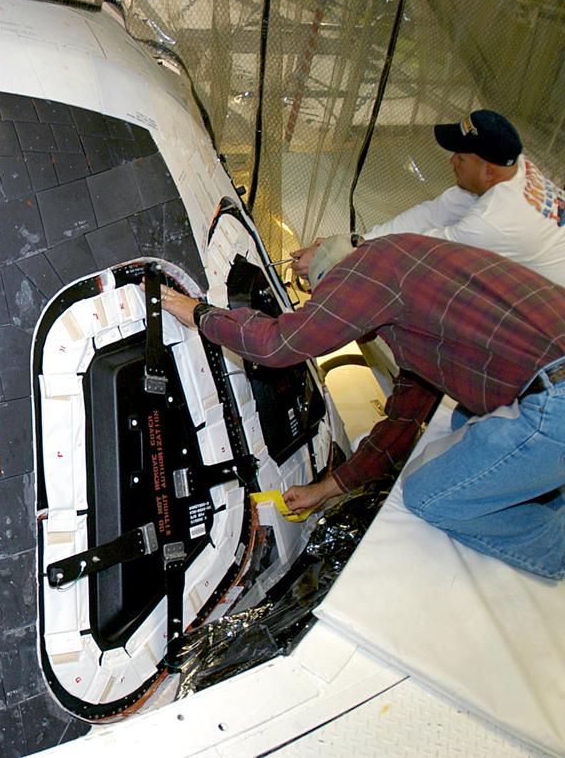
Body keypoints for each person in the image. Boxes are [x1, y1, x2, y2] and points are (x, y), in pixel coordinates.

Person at [161, 233, 565, 579]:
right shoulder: (408, 267)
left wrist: (199, 314)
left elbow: (276, 345)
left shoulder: (367, 275)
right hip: (546, 376)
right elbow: (405, 418)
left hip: (555, 399)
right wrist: (327, 489)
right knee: (464, 422)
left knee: (430, 496)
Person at [291, 110, 565, 287]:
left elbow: (414, 254)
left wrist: (334, 256)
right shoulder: (515, 168)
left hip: (552, 321)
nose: (451, 161)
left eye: (460, 158)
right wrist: (355, 242)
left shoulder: (494, 222)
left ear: (489, 172)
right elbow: (432, 214)